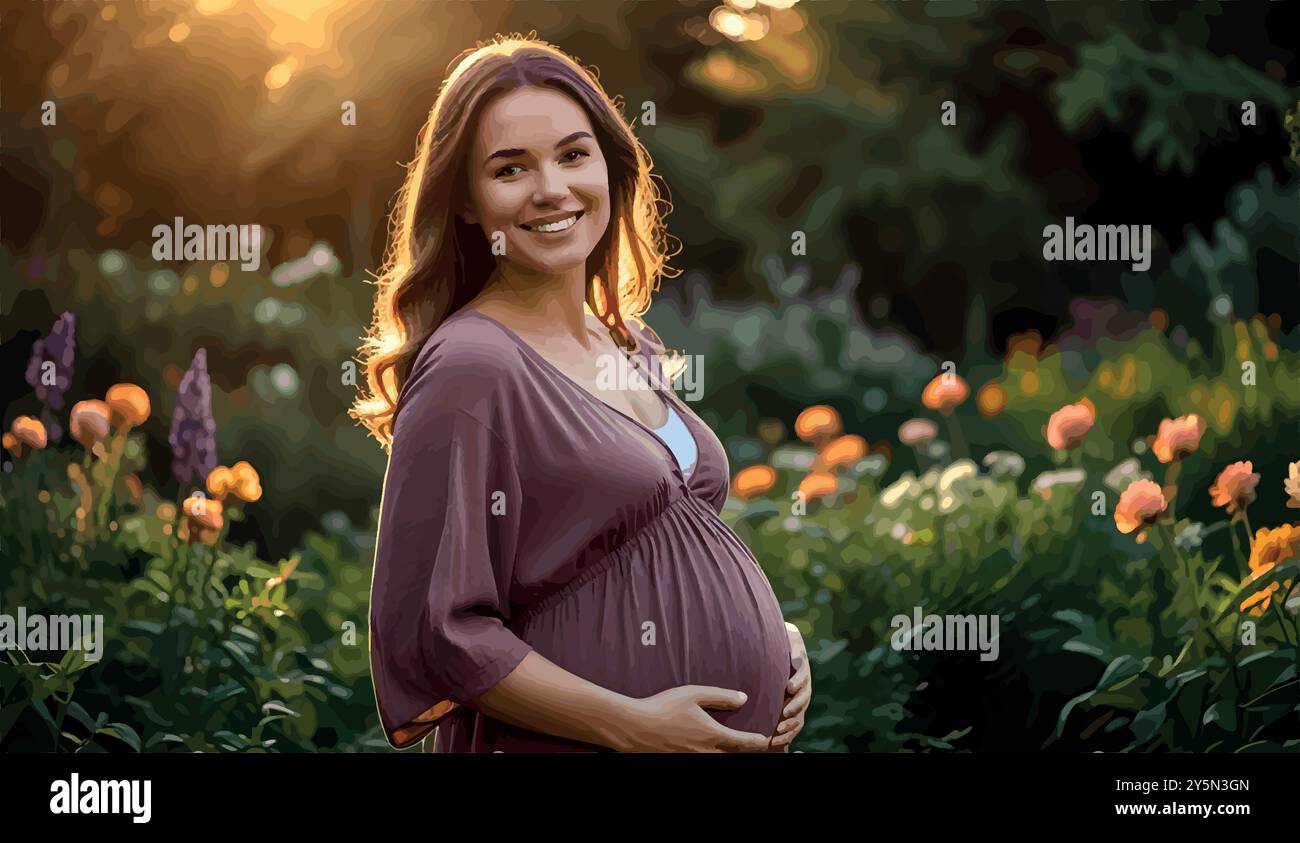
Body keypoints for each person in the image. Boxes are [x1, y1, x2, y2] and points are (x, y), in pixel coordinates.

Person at [351, 33, 811, 752]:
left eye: (573, 154)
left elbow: (671, 545)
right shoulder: (472, 366)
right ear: (467, 203)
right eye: (511, 168)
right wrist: (631, 725)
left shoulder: (631, 344)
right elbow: (442, 630)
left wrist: (780, 643)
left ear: (609, 164)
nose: (552, 189)